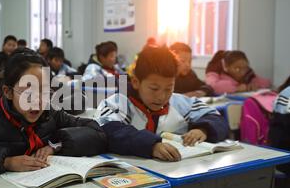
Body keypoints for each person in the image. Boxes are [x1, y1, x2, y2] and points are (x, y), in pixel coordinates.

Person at [0, 52, 108, 176]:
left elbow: (96, 131)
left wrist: (56, 146)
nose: (38, 101)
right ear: (8, 92)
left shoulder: (50, 113)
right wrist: (6, 162)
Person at [95, 45, 229, 162]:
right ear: (136, 82)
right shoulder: (118, 104)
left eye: (168, 88)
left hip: (177, 173)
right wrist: (151, 145)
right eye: (154, 89)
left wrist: (203, 129)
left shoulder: (180, 103)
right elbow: (110, 131)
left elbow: (217, 118)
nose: (161, 97)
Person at [205, 50, 271, 95]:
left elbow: (266, 82)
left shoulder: (247, 72)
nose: (242, 72)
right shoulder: (215, 70)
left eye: (245, 68)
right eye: (237, 68)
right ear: (226, 67)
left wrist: (254, 84)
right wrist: (237, 88)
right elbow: (212, 86)